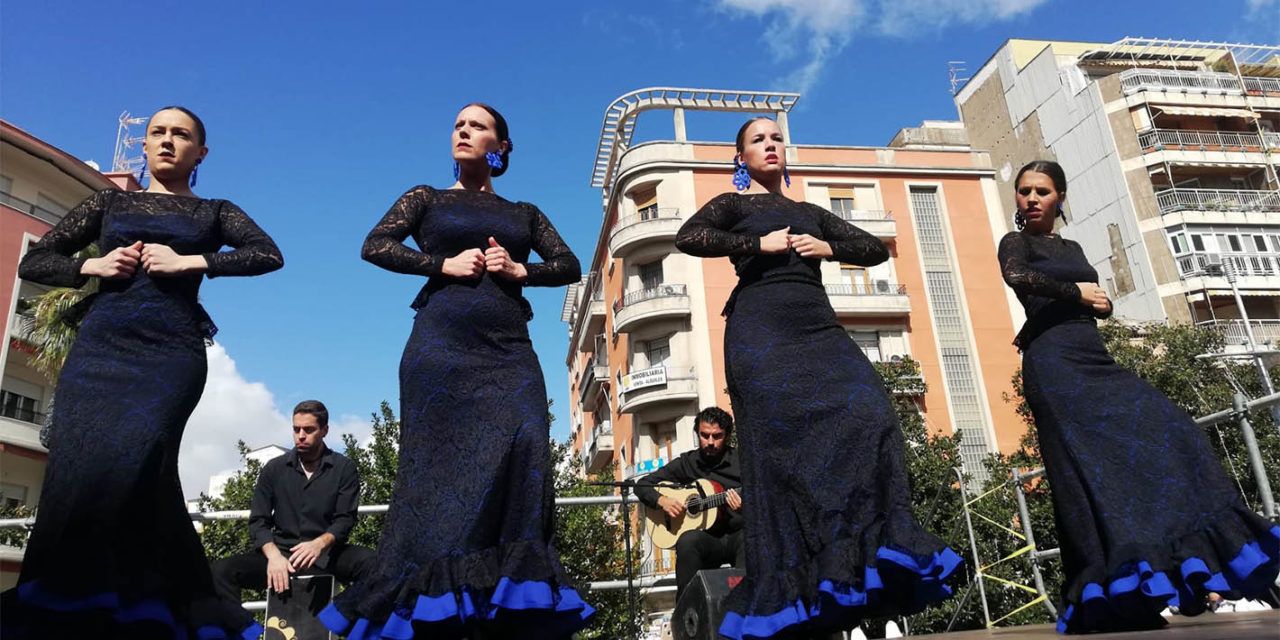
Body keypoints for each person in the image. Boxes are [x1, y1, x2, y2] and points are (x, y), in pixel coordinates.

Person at [674, 117, 960, 640]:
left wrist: (827, 248)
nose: (770, 145)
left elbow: (873, 249)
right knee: (781, 457)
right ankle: (799, 593)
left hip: (818, 326)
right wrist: (758, 247)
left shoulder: (811, 213)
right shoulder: (736, 206)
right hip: (761, 333)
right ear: (741, 158)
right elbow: (688, 236)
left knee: (870, 413)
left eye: (776, 138)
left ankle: (859, 571)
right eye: (758, 140)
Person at [3, 106, 282, 639]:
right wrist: (94, 266)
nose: (167, 141)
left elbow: (266, 254)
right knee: (80, 471)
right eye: (157, 133)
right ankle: (69, 602)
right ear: (145, 145)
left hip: (169, 355)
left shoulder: (215, 211)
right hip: (99, 350)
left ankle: (141, 606)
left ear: (201, 153)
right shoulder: (110, 201)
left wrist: (189, 262)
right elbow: (35, 263)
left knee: (135, 464)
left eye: (181, 135)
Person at [318, 103, 593, 640]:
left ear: (501, 147)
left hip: (510, 353)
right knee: (437, 482)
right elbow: (375, 244)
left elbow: (570, 265)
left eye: (478, 126)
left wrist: (520, 270)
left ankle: (505, 609)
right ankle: (432, 615)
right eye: (458, 125)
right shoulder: (426, 197)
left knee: (528, 446)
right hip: (441, 352)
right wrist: (439, 265)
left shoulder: (525, 213)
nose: (464, 131)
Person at [997, 159, 1280, 633]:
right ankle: (1106, 593)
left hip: (1093, 357)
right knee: (1083, 474)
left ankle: (1180, 566)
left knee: (1172, 429)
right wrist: (1080, 295)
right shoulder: (1016, 243)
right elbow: (1018, 278)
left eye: (1042, 191)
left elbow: (1090, 302)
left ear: (1060, 197)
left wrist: (1102, 304)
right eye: (1024, 191)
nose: (1031, 199)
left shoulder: (1072, 245)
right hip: (1056, 369)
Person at [211, 400, 375, 605]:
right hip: (281, 554)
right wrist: (273, 556)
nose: (301, 436)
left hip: (326, 555)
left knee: (374, 565)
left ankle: (341, 620)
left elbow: (344, 519)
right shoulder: (274, 469)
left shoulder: (344, 468)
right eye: (296, 429)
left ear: (324, 430)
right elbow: (258, 521)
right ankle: (245, 633)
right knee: (220, 571)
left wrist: (318, 545)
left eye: (309, 429)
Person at [634, 407, 744, 598]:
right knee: (687, 541)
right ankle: (688, 611)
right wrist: (662, 500)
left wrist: (746, 508)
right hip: (707, 540)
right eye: (705, 435)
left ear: (727, 436)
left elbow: (766, 502)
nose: (710, 442)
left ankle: (746, 607)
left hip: (738, 535)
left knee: (753, 538)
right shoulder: (688, 463)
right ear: (697, 434)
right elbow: (642, 485)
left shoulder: (742, 462)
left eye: (717, 436)